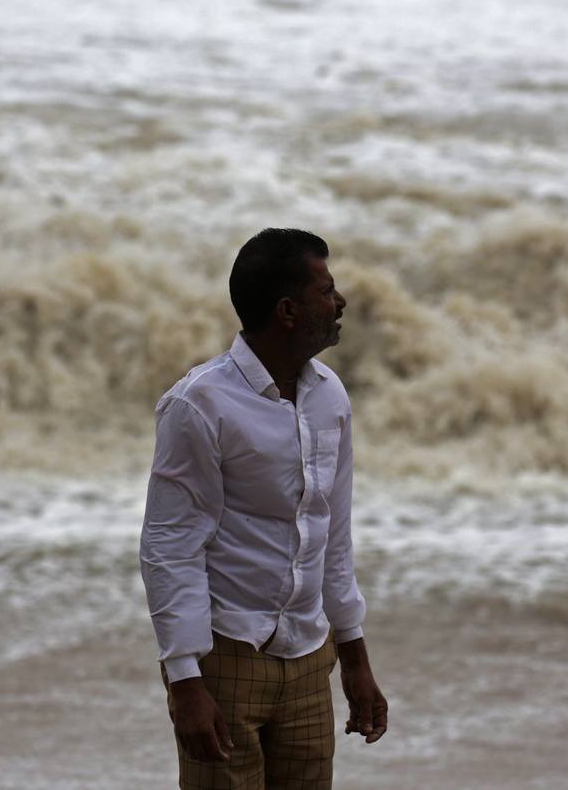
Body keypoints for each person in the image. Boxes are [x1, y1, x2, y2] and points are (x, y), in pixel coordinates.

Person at [140, 228, 388, 789]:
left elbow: (333, 535)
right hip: (226, 658)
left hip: (308, 657)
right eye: (326, 290)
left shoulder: (330, 396)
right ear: (288, 311)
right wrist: (185, 679)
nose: (340, 301)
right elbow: (170, 547)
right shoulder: (199, 404)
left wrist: (354, 659)